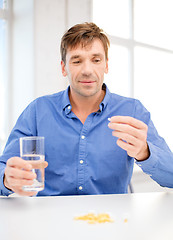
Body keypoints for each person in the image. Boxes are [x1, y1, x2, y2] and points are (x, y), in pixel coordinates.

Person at [0, 22, 173, 197]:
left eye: (96, 60)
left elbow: (171, 177)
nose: (87, 70)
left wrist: (145, 152)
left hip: (113, 220)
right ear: (63, 68)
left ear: (106, 65)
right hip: (49, 220)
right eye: (77, 61)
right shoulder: (38, 111)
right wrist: (8, 178)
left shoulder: (132, 110)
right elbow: (3, 168)